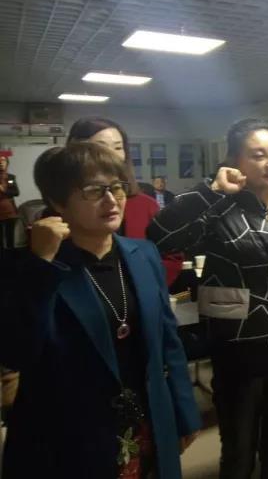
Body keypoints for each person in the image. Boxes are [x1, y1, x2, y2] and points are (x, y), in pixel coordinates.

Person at [0, 142, 200, 479]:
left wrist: (184, 409)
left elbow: (169, 342)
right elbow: (17, 352)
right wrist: (41, 265)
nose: (111, 200)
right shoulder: (31, 266)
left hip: (146, 421)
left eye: (116, 187)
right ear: (58, 203)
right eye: (94, 191)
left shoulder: (143, 254)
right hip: (66, 437)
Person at [147, 119, 268, 479]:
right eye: (258, 155)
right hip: (238, 350)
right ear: (235, 160)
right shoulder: (220, 207)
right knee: (239, 455)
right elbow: (160, 235)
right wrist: (212, 189)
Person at [66, 118, 183, 286]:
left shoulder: (146, 205)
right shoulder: (66, 205)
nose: (112, 154)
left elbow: (171, 254)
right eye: (101, 146)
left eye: (118, 147)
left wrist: (149, 283)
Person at [0, 155, 19, 261]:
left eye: (3, 160)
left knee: (10, 238)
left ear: (7, 163)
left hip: (10, 213)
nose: (1, 163)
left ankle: (11, 260)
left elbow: (16, 192)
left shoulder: (11, 177)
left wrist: (3, 190)